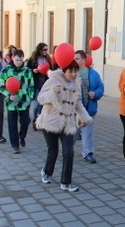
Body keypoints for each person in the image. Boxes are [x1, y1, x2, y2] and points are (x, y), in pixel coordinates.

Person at [35, 60, 92, 192]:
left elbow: (78, 103)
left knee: (69, 151)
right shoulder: (53, 81)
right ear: (63, 71)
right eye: (70, 71)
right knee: (53, 151)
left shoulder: (77, 83)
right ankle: (47, 172)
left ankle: (66, 182)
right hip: (51, 122)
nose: (73, 74)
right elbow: (40, 98)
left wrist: (85, 117)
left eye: (75, 71)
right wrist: (52, 93)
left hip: (68, 123)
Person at [0, 49, 34, 154]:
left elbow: (31, 86)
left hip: (24, 102)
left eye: (21, 60)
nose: (19, 62)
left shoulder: (27, 70)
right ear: (12, 58)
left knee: (25, 122)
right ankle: (15, 145)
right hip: (11, 103)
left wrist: (30, 97)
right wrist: (9, 95)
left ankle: (21, 136)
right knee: (12, 124)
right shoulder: (6, 71)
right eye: (17, 60)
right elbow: (1, 87)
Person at [75, 50, 104, 163]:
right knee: (72, 132)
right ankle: (67, 151)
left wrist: (95, 94)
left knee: (88, 132)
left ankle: (88, 153)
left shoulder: (93, 74)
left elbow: (101, 88)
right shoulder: (71, 72)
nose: (75, 61)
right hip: (74, 110)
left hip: (88, 109)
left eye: (77, 58)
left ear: (83, 60)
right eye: (74, 59)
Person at [28, 43, 51, 127]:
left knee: (43, 104)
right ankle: (35, 119)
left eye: (47, 49)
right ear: (40, 50)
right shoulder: (33, 59)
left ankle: (40, 121)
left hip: (45, 84)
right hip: (36, 83)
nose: (46, 51)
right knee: (36, 103)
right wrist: (33, 70)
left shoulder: (48, 59)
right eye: (44, 49)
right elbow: (27, 69)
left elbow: (50, 68)